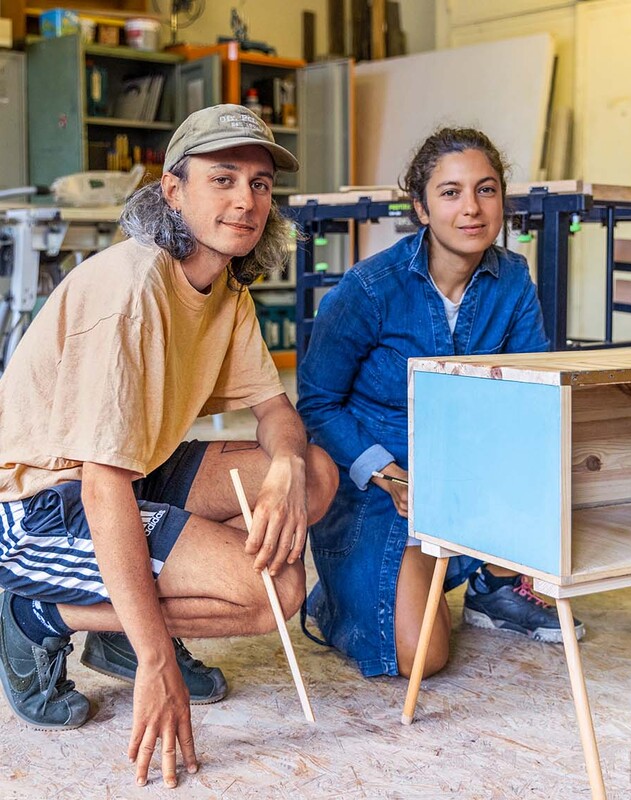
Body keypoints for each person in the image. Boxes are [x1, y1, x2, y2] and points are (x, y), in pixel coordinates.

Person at [0, 104, 337, 787]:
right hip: (38, 501)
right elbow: (101, 487)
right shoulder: (131, 292)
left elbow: (276, 410)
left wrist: (285, 467)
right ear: (173, 190)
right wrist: (160, 662)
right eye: (223, 179)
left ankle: (121, 632)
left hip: (128, 470)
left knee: (316, 474)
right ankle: (34, 614)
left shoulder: (226, 288)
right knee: (273, 590)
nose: (246, 200)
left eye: (260, 184)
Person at [297, 127, 585, 681]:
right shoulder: (370, 288)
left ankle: (494, 585)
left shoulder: (513, 280)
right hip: (378, 487)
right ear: (421, 208)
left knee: (549, 446)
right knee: (420, 658)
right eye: (450, 192)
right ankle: (340, 599)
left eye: (486, 189)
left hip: (462, 475)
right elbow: (317, 402)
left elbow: (530, 391)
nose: (471, 208)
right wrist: (390, 475)